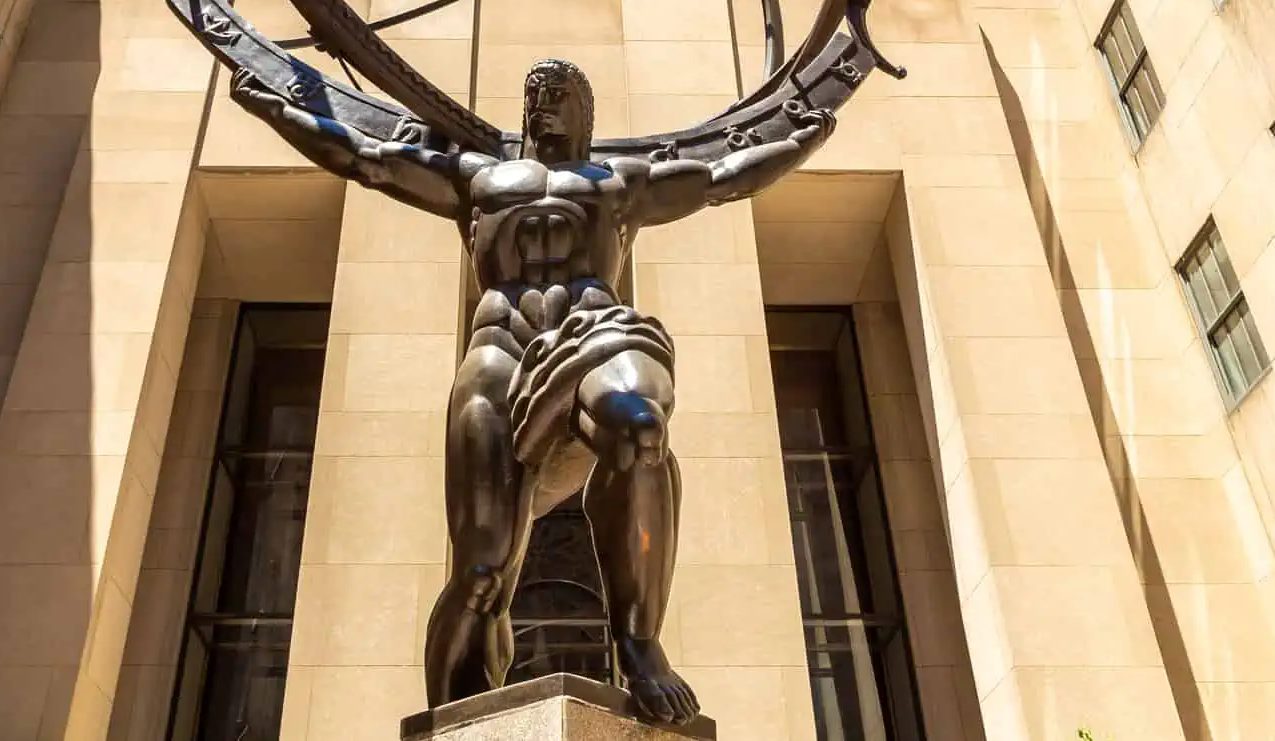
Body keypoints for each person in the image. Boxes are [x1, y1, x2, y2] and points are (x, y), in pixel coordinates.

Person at [229, 57, 833, 724]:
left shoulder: (620, 182)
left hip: (593, 337)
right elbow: (366, 159)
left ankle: (639, 641)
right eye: (535, 92)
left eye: (559, 93)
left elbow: (723, 178)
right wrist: (275, 108)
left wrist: (805, 136)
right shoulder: (479, 178)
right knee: (482, 570)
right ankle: (458, 709)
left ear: (585, 111)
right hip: (501, 351)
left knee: (639, 428)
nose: (543, 102)